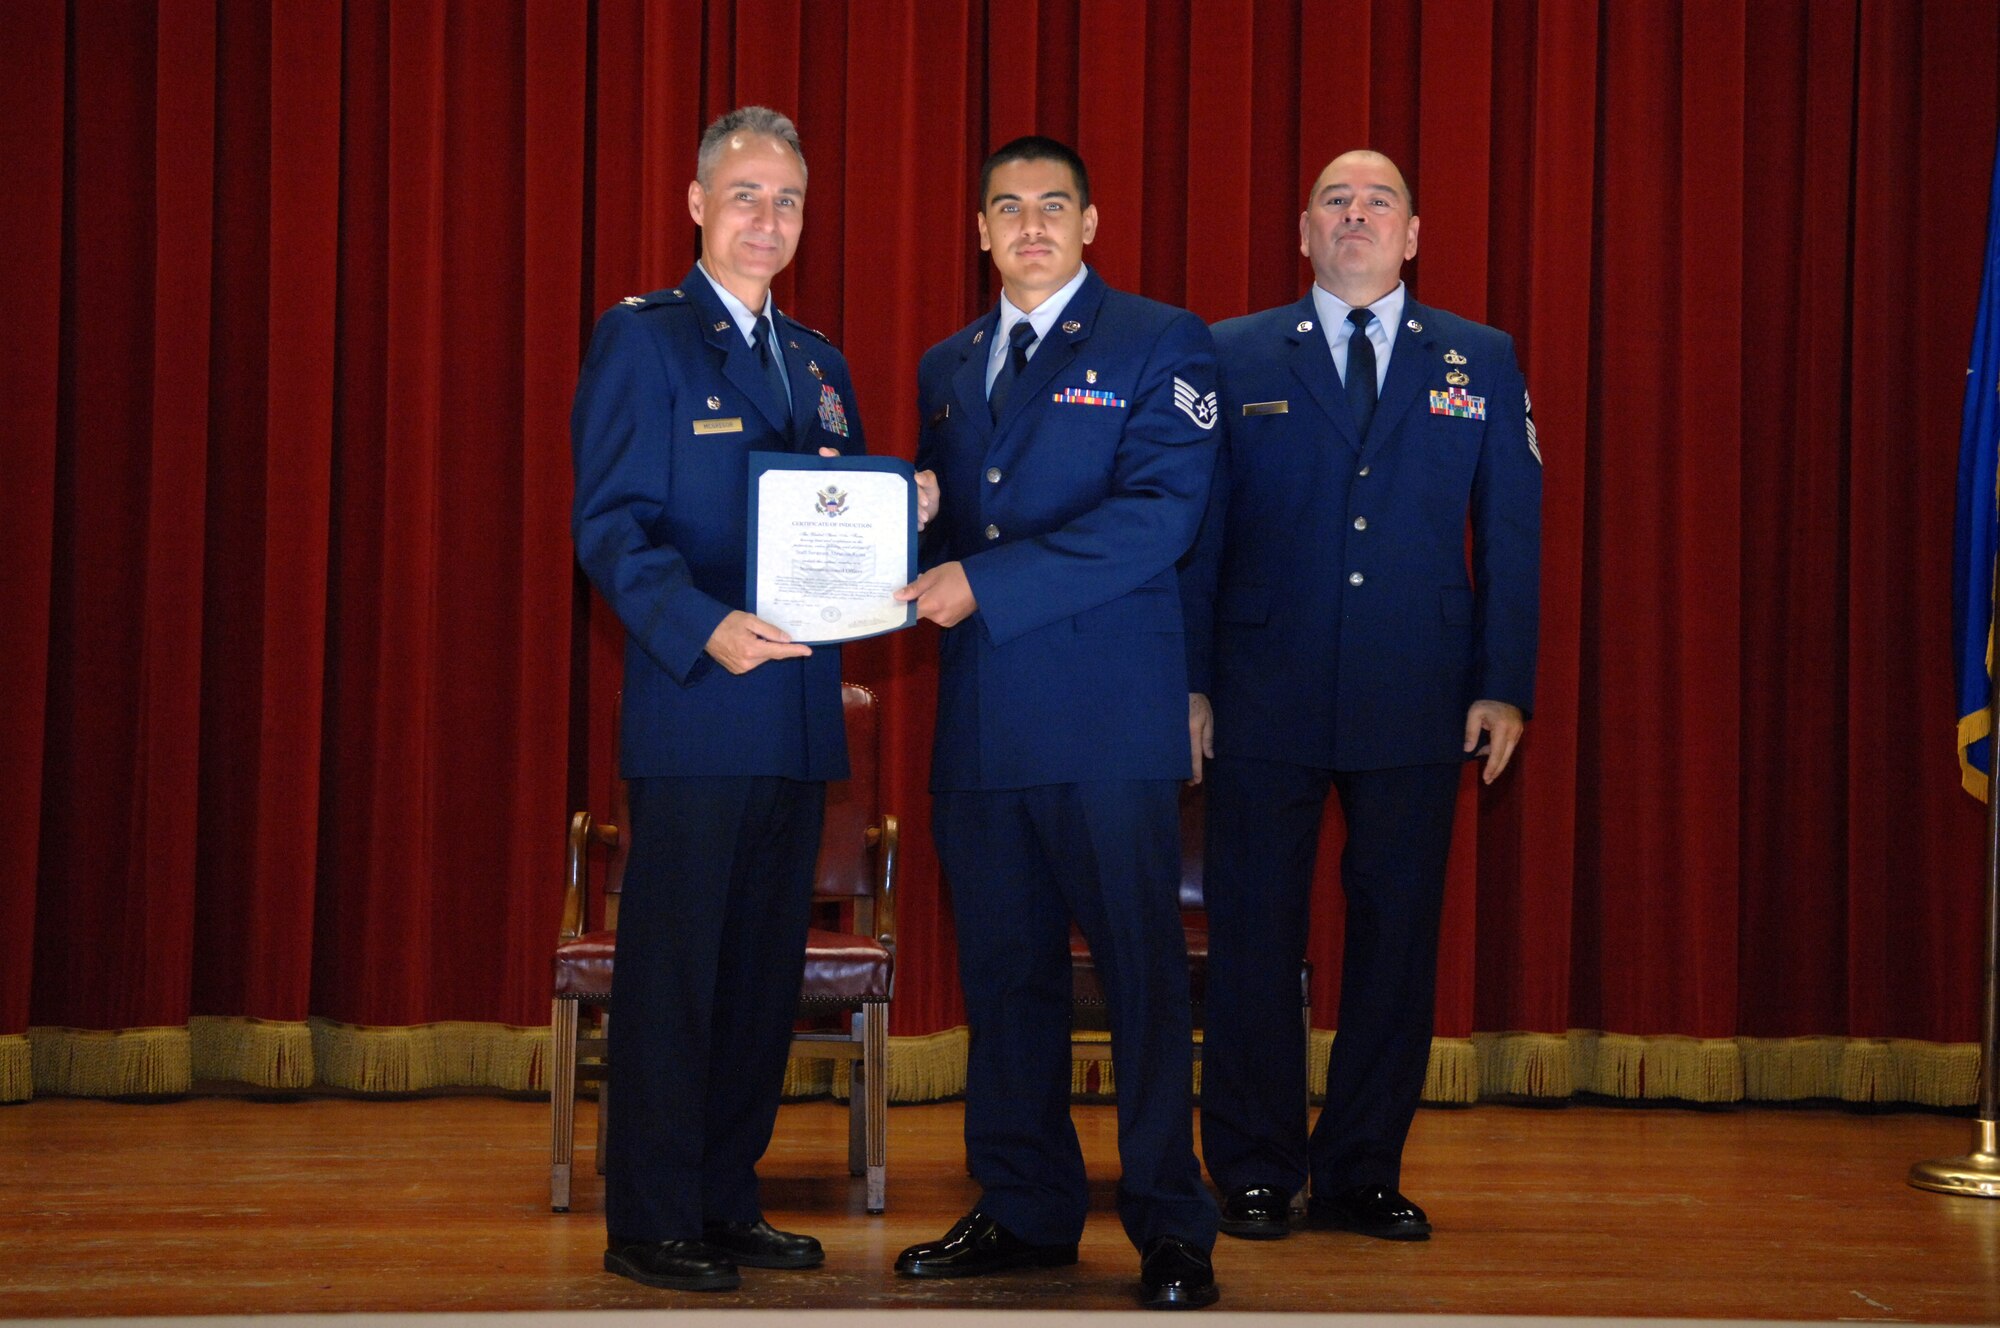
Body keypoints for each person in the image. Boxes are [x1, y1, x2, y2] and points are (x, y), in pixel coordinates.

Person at [571, 106, 930, 1292]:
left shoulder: (818, 363)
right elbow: (609, 529)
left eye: (785, 200)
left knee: (760, 979)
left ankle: (727, 1197)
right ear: (696, 205)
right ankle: (651, 1218)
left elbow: (847, 529)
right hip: (696, 708)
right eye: (744, 196)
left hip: (797, 723)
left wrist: (904, 512)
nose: (765, 219)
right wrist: (701, 622)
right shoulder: (645, 340)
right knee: (675, 979)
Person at [1184, 149, 1541, 1243]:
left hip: (1415, 694)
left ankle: (1358, 1168)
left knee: (1395, 942)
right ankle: (1250, 1165)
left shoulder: (1478, 359)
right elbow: (1192, 537)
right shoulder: (1230, 350)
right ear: (1302, 232)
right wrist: (1188, 680)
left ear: (1413, 232)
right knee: (1250, 938)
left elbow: (1514, 534)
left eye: (1375, 201)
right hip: (1259, 690)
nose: (1354, 216)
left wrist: (1502, 685)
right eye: (1333, 201)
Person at [889, 136, 1222, 1311]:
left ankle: (1171, 1224)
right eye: (1006, 208)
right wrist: (908, 518)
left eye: (1052, 206)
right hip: (980, 722)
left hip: (1102, 717)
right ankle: (1026, 1207)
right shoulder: (947, 362)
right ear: (978, 230)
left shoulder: (1159, 340)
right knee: (1006, 978)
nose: (1029, 224)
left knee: (1139, 981)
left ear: (1089, 222)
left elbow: (1159, 517)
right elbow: (948, 533)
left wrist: (988, 580)